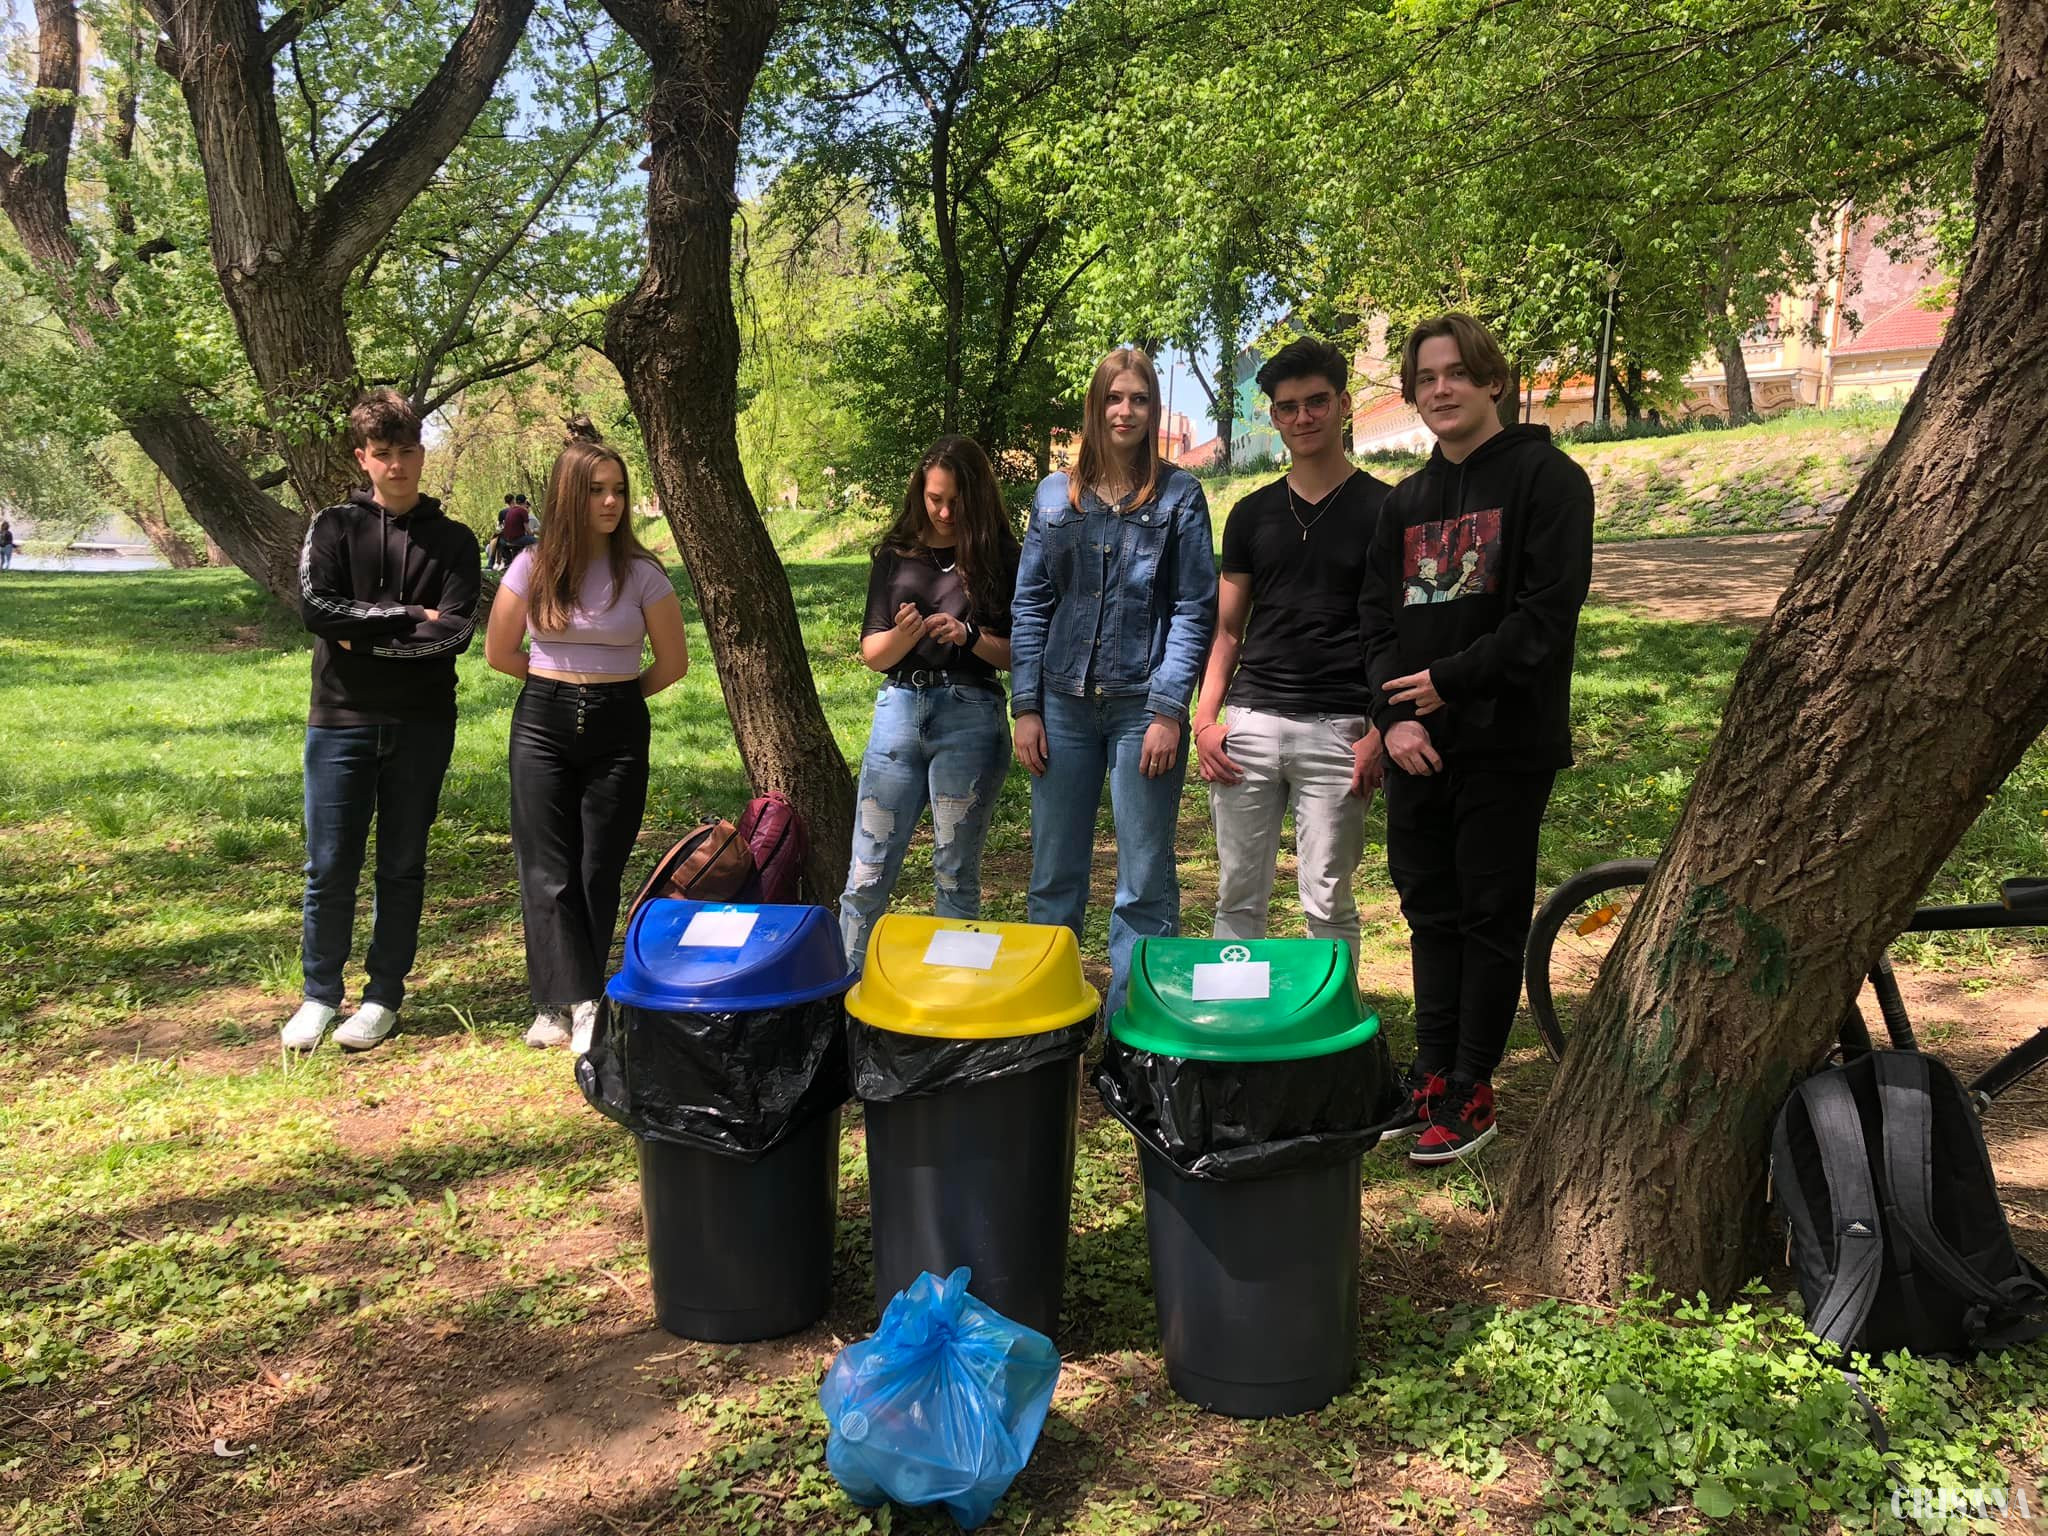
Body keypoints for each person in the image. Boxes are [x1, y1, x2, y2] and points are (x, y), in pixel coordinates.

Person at [1359, 313, 1594, 1163]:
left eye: (1457, 372)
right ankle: (1431, 1072)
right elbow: (1374, 623)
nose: (1441, 390)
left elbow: (1546, 616)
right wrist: (1392, 718)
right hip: (1415, 747)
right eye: (1426, 378)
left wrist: (1450, 684)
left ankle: (1472, 1086)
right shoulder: (1404, 504)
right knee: (1429, 912)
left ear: (1493, 380)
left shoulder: (1549, 480)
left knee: (1489, 916)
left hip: (1505, 743)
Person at [1011, 347, 1216, 1018]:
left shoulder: (1180, 496)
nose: (1125, 411)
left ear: (1154, 410)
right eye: (1114, 398)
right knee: (1053, 877)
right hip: (1060, 709)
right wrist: (1026, 707)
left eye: (1139, 399)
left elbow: (1194, 609)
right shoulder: (1053, 495)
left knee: (1144, 882)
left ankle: (1134, 1029)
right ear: (1095, 408)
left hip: (1141, 713)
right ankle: (1050, 1023)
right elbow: (1031, 604)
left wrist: (1169, 710)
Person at [284, 390, 481, 1053]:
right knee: (328, 865)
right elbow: (317, 610)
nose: (396, 465)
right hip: (339, 719)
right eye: (382, 454)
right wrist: (406, 616)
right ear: (361, 458)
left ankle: (382, 998)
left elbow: (455, 634)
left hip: (422, 722)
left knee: (402, 865)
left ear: (422, 455)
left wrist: (362, 637)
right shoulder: (332, 526)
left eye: (406, 452)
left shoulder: (455, 541)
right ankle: (319, 996)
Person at [485, 427, 689, 1052]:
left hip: (618, 727)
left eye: (619, 491)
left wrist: (612, 694)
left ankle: (586, 1000)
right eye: (597, 490)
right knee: (546, 868)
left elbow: (673, 663)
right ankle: (556, 1004)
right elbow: (499, 651)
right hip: (541, 725)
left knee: (598, 865)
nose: (611, 503)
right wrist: (558, 683)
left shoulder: (642, 573)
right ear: (569, 496)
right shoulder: (531, 566)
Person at [1193, 337, 1390, 957]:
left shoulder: (1386, 509)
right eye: (1287, 407)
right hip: (1249, 724)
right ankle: (1232, 1012)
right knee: (1236, 897)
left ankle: (1332, 1019)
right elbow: (1227, 630)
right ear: (1274, 417)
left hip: (1340, 729)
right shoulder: (1251, 514)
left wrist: (1381, 730)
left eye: (1316, 402)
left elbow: (1398, 634)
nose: (1303, 417)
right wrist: (1204, 720)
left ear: (1343, 405)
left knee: (1329, 901)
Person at [838, 436, 1021, 971]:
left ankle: (952, 1001)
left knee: (955, 872)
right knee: (866, 874)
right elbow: (873, 653)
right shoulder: (895, 555)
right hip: (899, 708)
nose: (943, 512)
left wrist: (968, 636)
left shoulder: (1002, 557)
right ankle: (844, 998)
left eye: (955, 502)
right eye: (934, 498)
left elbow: (1020, 654)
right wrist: (904, 634)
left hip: (970, 712)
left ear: (977, 497)